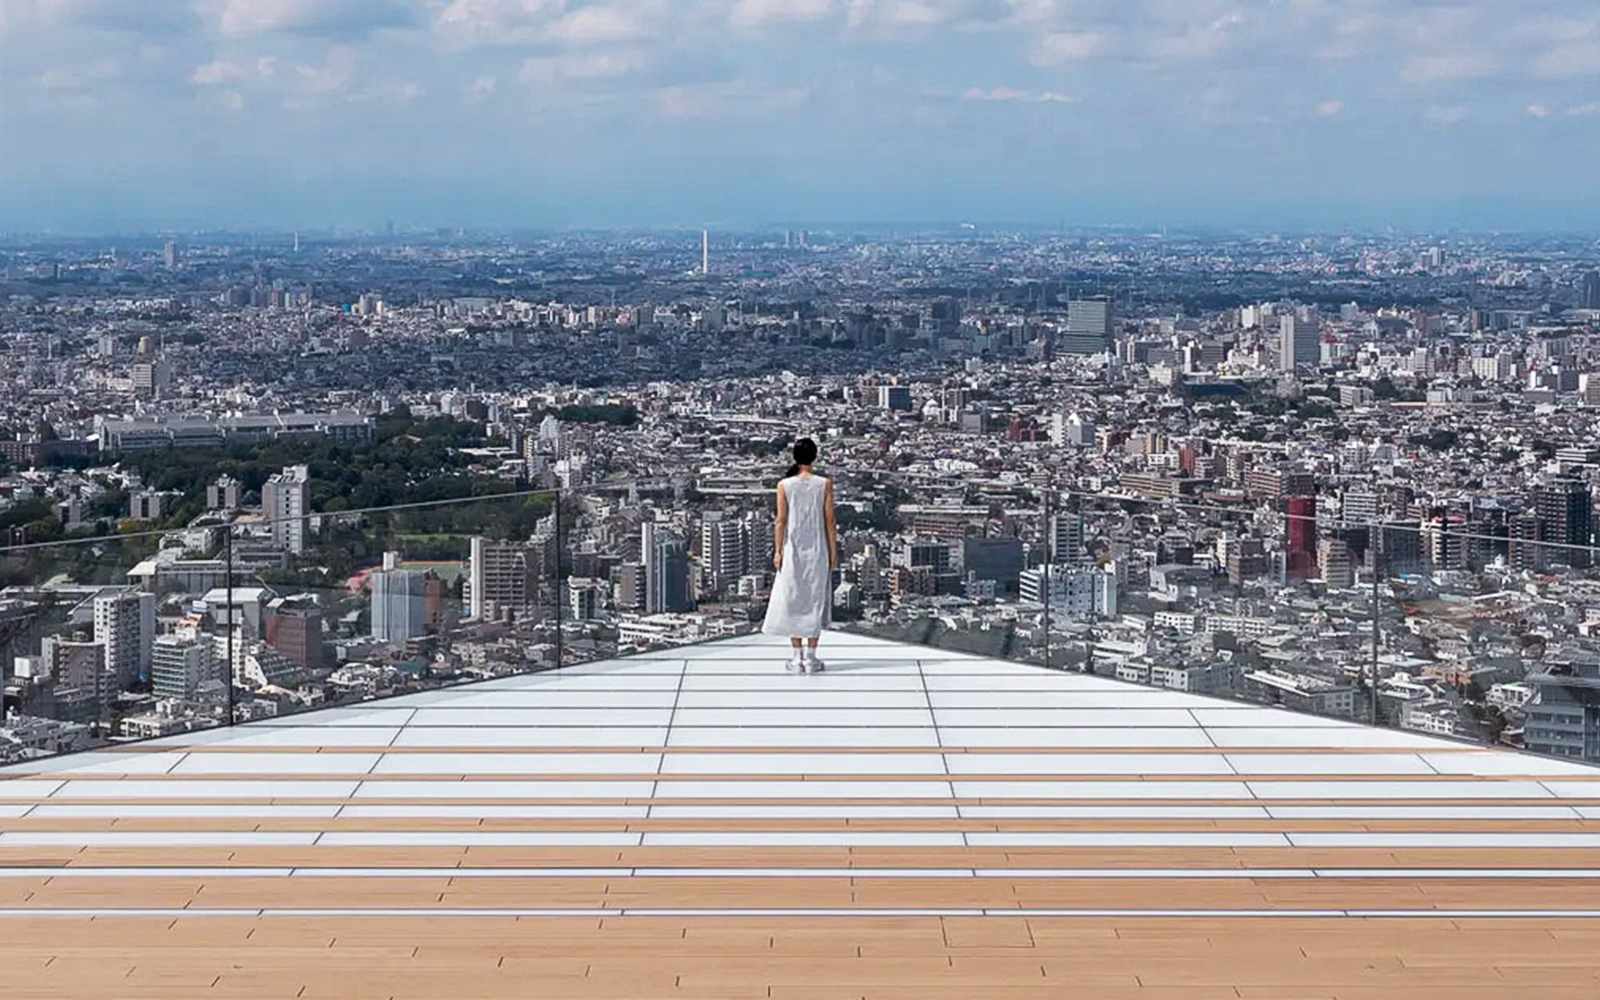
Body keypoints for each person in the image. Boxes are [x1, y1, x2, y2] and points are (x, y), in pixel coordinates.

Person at [761, 437, 838, 673]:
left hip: (792, 550)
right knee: (815, 601)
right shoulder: (824, 484)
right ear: (815, 457)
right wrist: (834, 552)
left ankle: (797, 658)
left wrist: (777, 551)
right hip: (818, 549)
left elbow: (780, 522)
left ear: (795, 458)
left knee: (794, 599)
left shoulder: (784, 485)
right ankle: (812, 658)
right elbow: (830, 521)